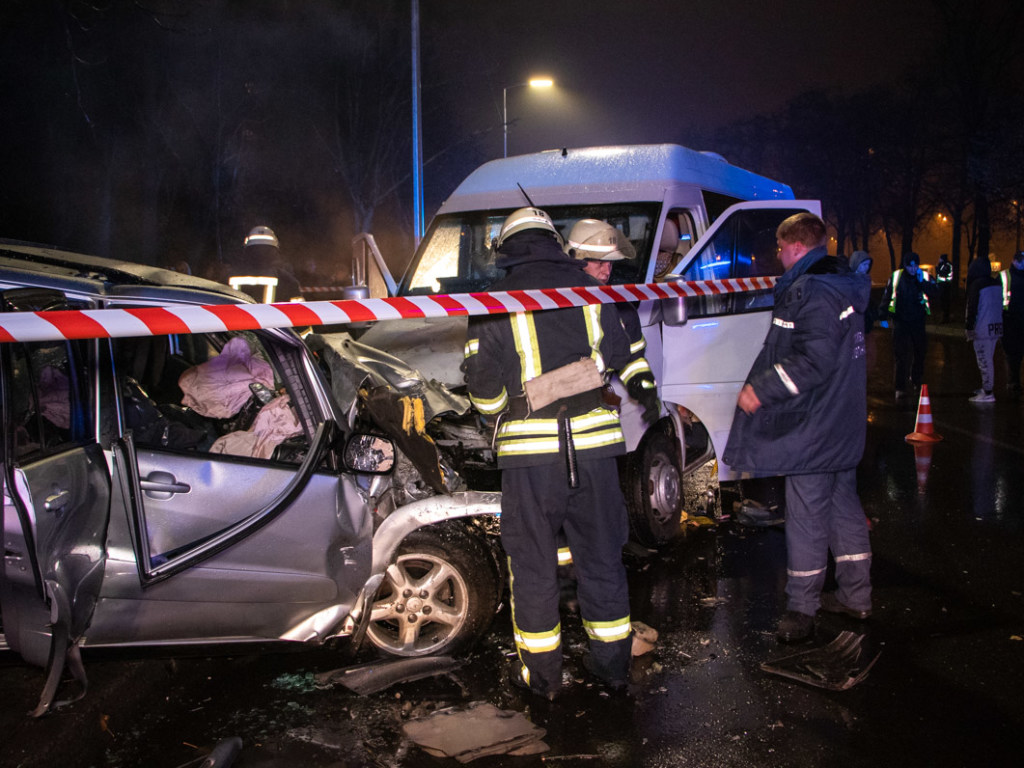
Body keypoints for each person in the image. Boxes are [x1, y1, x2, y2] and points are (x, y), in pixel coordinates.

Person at [464, 207, 634, 699]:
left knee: (535, 567)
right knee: (602, 559)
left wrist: (515, 404)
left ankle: (544, 682)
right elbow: (619, 357)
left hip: (531, 459)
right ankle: (613, 669)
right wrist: (580, 375)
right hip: (598, 454)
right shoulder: (588, 290)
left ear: (509, 250)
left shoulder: (493, 302)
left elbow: (485, 395)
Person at [723, 212, 872, 643]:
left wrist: (761, 390)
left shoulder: (814, 290)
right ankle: (856, 596)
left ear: (796, 247)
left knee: (806, 515)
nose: (777, 254)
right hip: (840, 423)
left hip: (816, 426)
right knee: (844, 506)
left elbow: (813, 360)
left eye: (781, 247)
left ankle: (802, 609)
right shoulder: (839, 282)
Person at [564, 218, 660, 423]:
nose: (606, 271)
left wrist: (644, 389)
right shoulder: (552, 304)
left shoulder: (621, 307)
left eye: (610, 263)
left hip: (596, 412)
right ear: (574, 259)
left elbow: (631, 358)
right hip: (555, 413)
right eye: (599, 262)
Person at [878, 251, 937, 402]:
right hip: (901, 321)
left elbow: (936, 292)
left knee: (920, 352)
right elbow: (887, 295)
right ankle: (900, 388)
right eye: (910, 266)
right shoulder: (897, 277)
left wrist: (921, 283)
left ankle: (916, 380)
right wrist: (882, 315)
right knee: (901, 355)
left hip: (918, 320)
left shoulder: (923, 276)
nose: (913, 269)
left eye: (915, 265)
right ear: (905, 265)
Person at [964, 254, 1003, 403]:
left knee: (984, 361)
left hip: (982, 328)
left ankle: (987, 393)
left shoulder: (976, 285)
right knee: (989, 359)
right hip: (995, 327)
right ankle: (986, 388)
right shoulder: (995, 283)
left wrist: (969, 326)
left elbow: (973, 307)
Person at [241, 225, 303, 302]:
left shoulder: (228, 277)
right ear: (274, 252)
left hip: (238, 314)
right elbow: (298, 310)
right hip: (278, 314)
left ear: (247, 250)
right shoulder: (287, 280)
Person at [1002, 250, 1024, 400]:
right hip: (1009, 320)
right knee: (1012, 353)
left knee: (1017, 352)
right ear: (1015, 261)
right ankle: (1013, 381)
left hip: (1019, 320)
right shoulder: (1005, 277)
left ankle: (1014, 381)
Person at [936, 253, 954, 323]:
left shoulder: (946, 265)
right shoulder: (944, 265)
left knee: (945, 302)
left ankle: (945, 317)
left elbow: (943, 274)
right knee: (943, 302)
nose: (939, 260)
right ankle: (945, 317)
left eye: (940, 258)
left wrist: (937, 270)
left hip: (945, 286)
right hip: (943, 285)